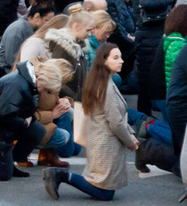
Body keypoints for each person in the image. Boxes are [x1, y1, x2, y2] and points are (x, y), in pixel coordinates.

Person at [43, 43, 138, 201]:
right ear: (104, 61)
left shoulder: (105, 82)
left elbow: (117, 117)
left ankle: (61, 176)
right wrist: (129, 141)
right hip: (105, 145)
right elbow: (115, 122)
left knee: (106, 191)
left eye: (120, 57)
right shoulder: (106, 87)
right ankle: (60, 176)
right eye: (116, 58)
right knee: (105, 193)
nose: (121, 61)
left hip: (104, 143)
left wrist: (130, 133)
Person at [130, 0, 177, 114]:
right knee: (147, 78)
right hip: (148, 37)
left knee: (153, 76)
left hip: (154, 35)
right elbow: (148, 1)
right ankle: (144, 116)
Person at [0, 0, 55, 72]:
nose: (49, 25)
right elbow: (12, 61)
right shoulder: (17, 30)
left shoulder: (33, 28)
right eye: (47, 20)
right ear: (37, 17)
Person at [45, 9, 93, 101]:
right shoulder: (62, 47)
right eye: (88, 30)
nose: (90, 34)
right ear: (76, 27)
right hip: (67, 100)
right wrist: (73, 96)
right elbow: (55, 76)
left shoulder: (80, 46)